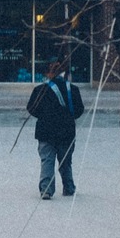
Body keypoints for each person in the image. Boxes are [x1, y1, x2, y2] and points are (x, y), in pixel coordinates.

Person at [26, 61, 85, 198]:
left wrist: (44, 116)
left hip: (45, 131)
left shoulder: (40, 90)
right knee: (66, 162)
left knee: (47, 160)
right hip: (67, 131)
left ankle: (46, 189)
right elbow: (79, 109)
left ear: (48, 73)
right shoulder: (73, 89)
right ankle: (69, 187)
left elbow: (31, 108)